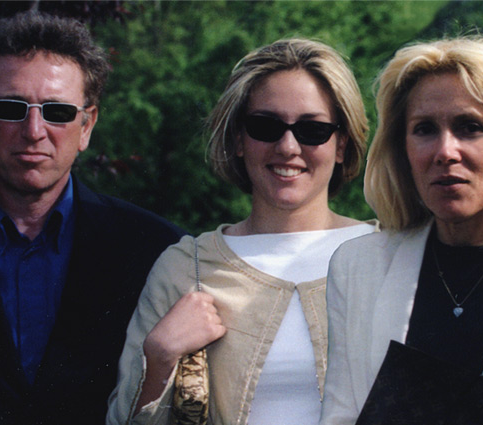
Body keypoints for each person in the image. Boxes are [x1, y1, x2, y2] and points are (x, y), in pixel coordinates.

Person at [106, 38, 379, 425]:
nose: (288, 146)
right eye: (265, 126)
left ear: (341, 145)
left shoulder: (389, 256)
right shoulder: (186, 268)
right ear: (237, 139)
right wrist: (160, 357)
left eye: (312, 130)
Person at [0, 11, 186, 425]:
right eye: (11, 108)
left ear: (86, 126)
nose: (34, 130)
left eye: (57, 112)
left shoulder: (156, 252)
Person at [320, 36, 483, 424]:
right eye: (424, 129)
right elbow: (341, 415)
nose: (445, 151)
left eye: (470, 127)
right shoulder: (358, 267)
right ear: (402, 150)